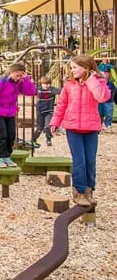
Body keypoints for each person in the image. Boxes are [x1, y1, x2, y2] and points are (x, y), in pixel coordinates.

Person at [50, 55, 110, 207]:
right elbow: (61, 104)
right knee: (79, 161)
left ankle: (89, 190)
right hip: (73, 128)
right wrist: (55, 122)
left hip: (91, 128)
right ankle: (79, 191)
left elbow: (102, 97)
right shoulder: (69, 84)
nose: (72, 70)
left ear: (86, 67)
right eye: (71, 67)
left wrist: (92, 80)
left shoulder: (99, 82)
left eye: (75, 67)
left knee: (90, 161)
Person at [0, 62, 36, 168]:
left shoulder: (19, 83)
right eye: (17, 75)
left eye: (21, 75)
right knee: (2, 135)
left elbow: (31, 92)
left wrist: (26, 79)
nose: (19, 78)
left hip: (10, 113)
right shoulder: (1, 83)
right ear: (11, 72)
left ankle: (6, 156)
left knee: (11, 135)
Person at [33, 76, 60, 146]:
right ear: (41, 84)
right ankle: (33, 139)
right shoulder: (38, 89)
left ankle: (48, 139)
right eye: (44, 84)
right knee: (39, 129)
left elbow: (61, 91)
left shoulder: (52, 89)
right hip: (40, 112)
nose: (46, 85)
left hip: (49, 112)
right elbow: (30, 91)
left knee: (47, 127)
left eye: (48, 84)